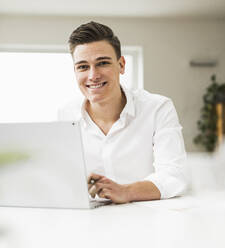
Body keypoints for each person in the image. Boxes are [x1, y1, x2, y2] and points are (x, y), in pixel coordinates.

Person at [66, 21, 188, 204]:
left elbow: (174, 176)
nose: (93, 75)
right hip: (88, 220)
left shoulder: (158, 108)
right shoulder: (65, 114)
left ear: (121, 65)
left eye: (102, 63)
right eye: (83, 66)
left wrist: (126, 192)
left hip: (147, 218)